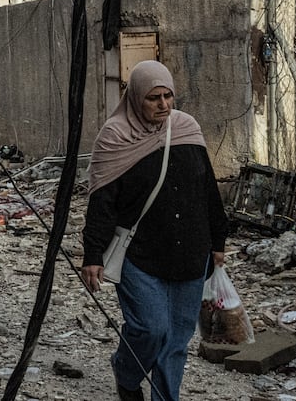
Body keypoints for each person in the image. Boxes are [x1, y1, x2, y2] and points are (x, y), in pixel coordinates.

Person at [81, 60, 228, 401]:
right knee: (150, 328)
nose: (163, 105)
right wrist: (92, 255)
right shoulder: (115, 136)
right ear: (134, 98)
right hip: (140, 255)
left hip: (191, 252)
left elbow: (207, 189)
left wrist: (218, 241)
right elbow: (103, 202)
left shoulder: (187, 129)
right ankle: (128, 374)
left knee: (176, 340)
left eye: (168, 96)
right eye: (153, 98)